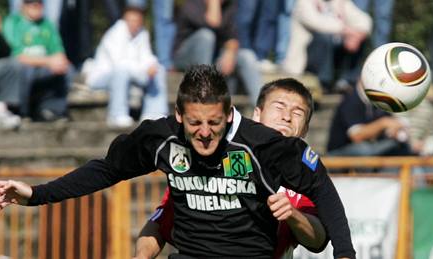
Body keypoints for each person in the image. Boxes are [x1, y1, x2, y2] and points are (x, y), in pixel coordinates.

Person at [0, 65, 355, 259]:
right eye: (195, 123)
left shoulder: (264, 147)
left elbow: (322, 189)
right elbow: (107, 170)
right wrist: (36, 194)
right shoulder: (160, 138)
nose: (204, 134)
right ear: (179, 116)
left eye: (214, 123)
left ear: (230, 114)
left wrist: (345, 255)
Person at [134, 78, 329, 259]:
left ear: (304, 130)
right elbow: (159, 223)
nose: (286, 117)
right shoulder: (215, 157)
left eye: (297, 113)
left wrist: (293, 214)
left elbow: (318, 241)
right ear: (257, 114)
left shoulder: (304, 179)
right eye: (279, 107)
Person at [0, 0, 70, 129]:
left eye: (39, 2)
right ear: (22, 5)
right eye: (30, 2)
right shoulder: (13, 22)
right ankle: (20, 111)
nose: (35, 5)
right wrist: (48, 61)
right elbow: (15, 56)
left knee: (67, 69)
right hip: (6, 71)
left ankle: (51, 110)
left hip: (35, 66)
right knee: (20, 68)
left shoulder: (47, 24)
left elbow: (58, 52)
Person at [82, 5, 168, 127]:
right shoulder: (115, 33)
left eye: (137, 20)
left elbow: (147, 56)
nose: (134, 24)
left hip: (132, 75)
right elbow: (120, 63)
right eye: (131, 20)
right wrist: (144, 72)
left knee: (158, 69)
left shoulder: (142, 33)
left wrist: (152, 66)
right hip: (101, 78)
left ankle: (154, 112)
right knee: (122, 71)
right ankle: (116, 114)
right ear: (125, 19)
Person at [173, 0, 263, 104]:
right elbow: (213, 21)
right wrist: (214, 3)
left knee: (247, 56)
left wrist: (230, 52)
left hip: (213, 59)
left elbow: (233, 36)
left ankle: (261, 107)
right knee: (206, 36)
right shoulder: (192, 4)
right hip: (185, 58)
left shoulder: (228, 6)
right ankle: (206, 96)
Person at [281, 0, 372, 93]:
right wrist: (347, 31)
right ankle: (324, 83)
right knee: (324, 38)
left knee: (360, 40)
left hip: (331, 54)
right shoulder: (303, 2)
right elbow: (317, 23)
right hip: (307, 57)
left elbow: (365, 20)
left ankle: (346, 81)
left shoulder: (339, 2)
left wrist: (358, 36)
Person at [326, 81, 413, 156]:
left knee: (401, 147)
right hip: (339, 153)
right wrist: (383, 123)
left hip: (369, 150)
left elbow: (391, 126)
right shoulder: (351, 100)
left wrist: (395, 130)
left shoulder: (377, 100)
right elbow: (357, 136)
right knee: (363, 149)